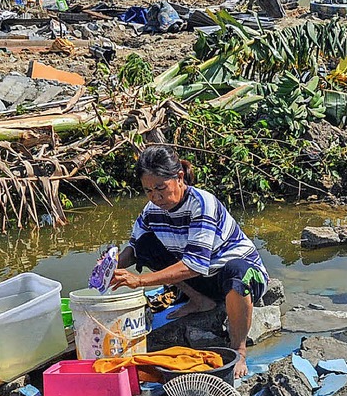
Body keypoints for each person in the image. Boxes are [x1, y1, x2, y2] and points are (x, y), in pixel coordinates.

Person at [110, 145, 268, 378]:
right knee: (145, 243)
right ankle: (200, 300)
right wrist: (112, 265)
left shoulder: (202, 204)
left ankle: (239, 349)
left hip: (233, 272)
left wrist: (140, 281)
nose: (156, 197)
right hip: (201, 278)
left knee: (238, 273)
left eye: (161, 188)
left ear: (179, 177)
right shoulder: (151, 210)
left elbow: (194, 264)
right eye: (148, 191)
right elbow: (135, 247)